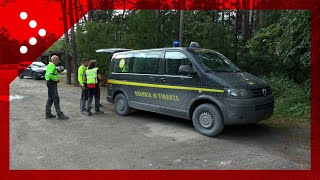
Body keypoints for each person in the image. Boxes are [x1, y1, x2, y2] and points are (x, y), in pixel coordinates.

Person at [45, 55, 69, 120]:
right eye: (58, 60)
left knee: (50, 98)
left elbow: (48, 74)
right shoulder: (52, 65)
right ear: (55, 60)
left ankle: (48, 113)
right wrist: (56, 79)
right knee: (56, 98)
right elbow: (49, 74)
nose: (59, 61)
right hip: (52, 83)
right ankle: (59, 114)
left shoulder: (50, 65)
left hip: (50, 83)